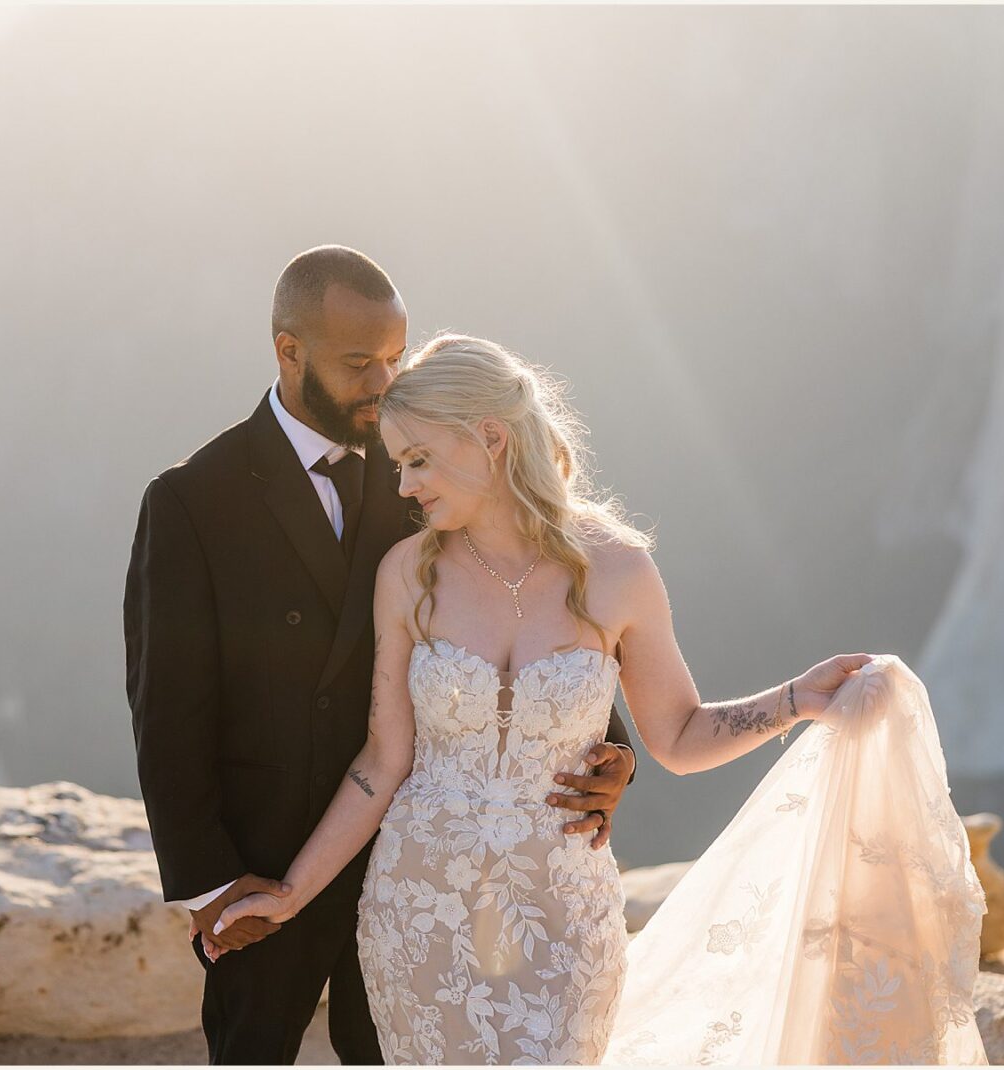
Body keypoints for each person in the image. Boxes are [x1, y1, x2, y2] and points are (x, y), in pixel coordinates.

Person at [213, 333, 882, 1063]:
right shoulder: (407, 573)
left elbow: (680, 736)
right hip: (419, 912)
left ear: (490, 439)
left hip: (565, 919)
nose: (403, 486)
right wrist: (291, 892)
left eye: (419, 460)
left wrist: (798, 700)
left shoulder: (620, 571)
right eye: (399, 464)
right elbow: (382, 761)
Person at [123, 249, 639, 1065]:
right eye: (359, 363)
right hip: (269, 862)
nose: (384, 383)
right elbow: (168, 707)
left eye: (396, 358)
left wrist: (608, 748)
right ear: (289, 353)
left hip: (419, 871)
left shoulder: (430, 476)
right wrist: (212, 884)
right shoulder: (192, 499)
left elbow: (523, 601)